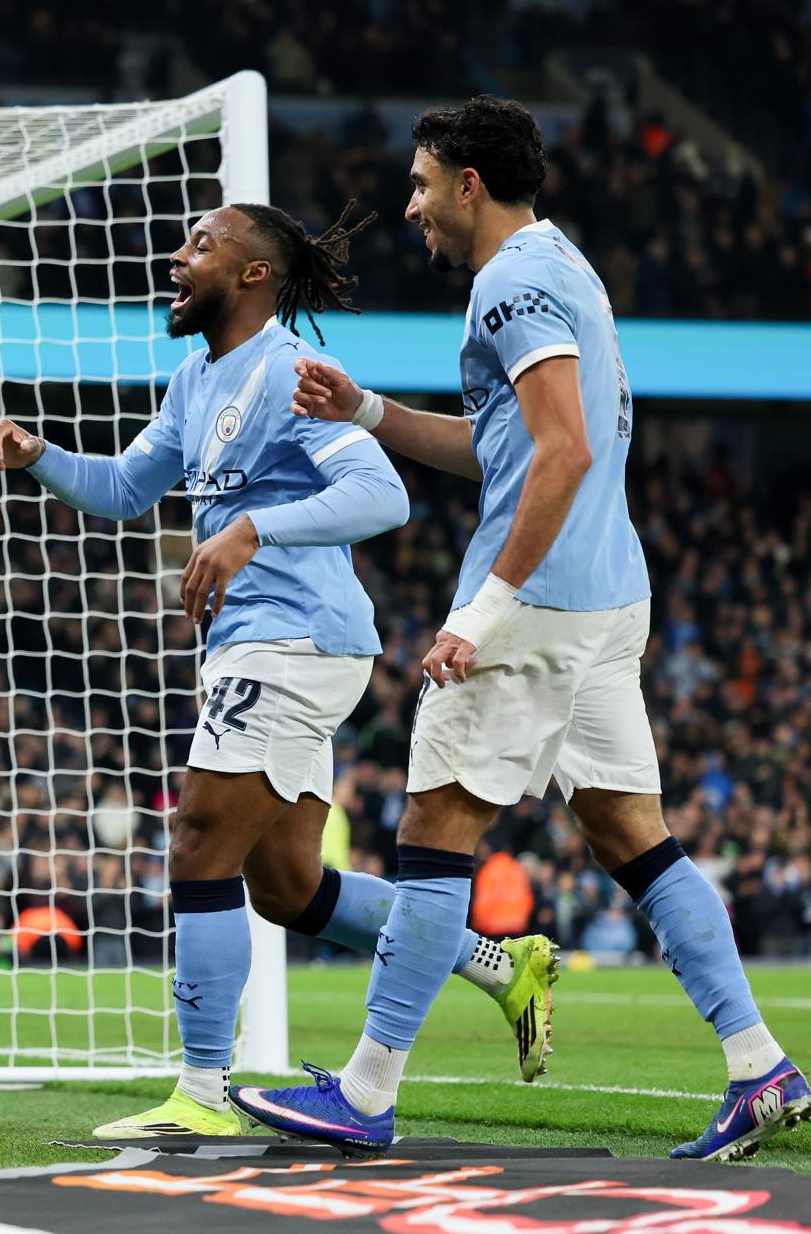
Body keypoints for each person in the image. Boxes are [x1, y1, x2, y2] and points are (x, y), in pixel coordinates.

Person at [231, 96, 808, 1162]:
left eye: (418, 184)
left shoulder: (511, 281)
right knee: (635, 835)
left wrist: (481, 611)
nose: (409, 207)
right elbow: (508, 448)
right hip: (604, 593)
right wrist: (366, 411)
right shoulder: (562, 268)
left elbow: (563, 451)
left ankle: (364, 1093)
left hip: (537, 603)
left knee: (434, 834)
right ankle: (759, 1065)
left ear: (467, 184)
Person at [0, 200, 554, 1140]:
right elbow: (126, 489)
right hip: (270, 644)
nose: (177, 254)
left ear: (251, 275)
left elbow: (384, 494)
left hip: (293, 640)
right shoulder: (197, 379)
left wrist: (252, 528)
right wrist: (40, 455)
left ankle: (203, 1098)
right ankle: (498, 964)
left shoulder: (286, 372)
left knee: (199, 836)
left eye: (202, 243)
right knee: (287, 888)